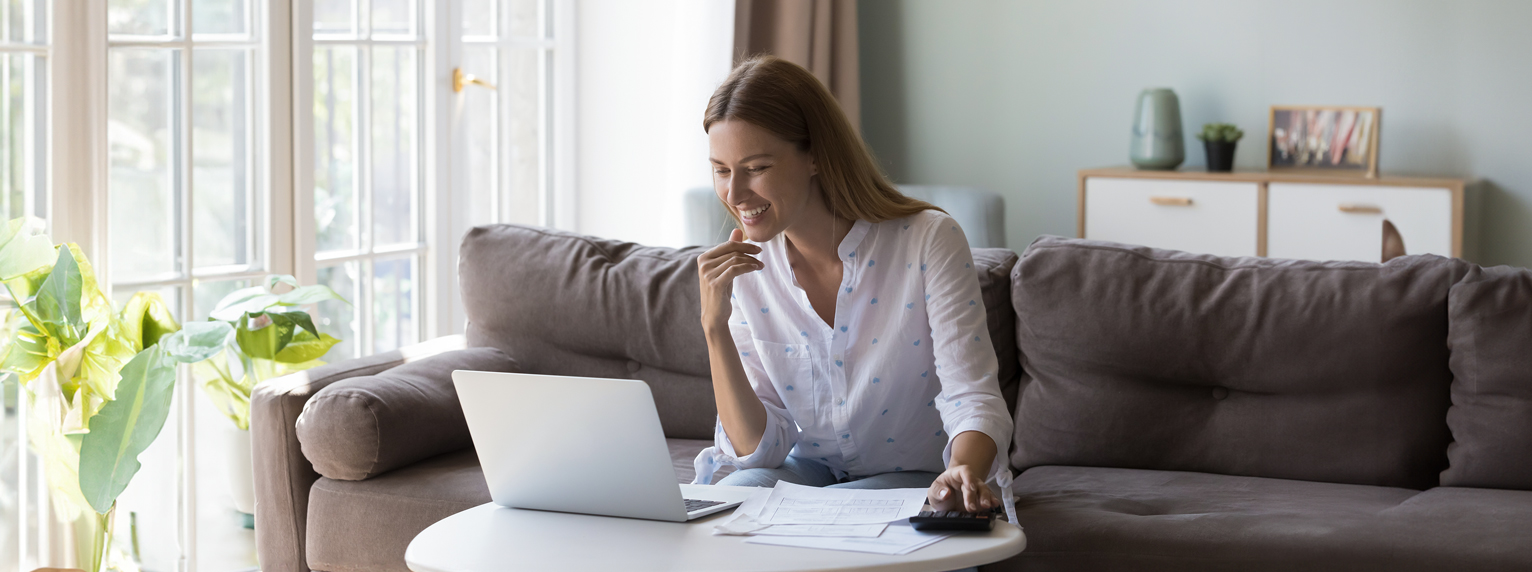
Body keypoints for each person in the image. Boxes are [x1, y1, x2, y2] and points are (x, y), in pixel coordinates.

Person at [692, 56, 1013, 515]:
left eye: (756, 167)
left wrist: (962, 469)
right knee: (732, 501)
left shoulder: (928, 239)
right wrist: (714, 327)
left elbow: (972, 394)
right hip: (807, 472)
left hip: (915, 474)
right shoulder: (745, 271)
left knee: (812, 516)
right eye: (721, 170)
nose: (735, 194)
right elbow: (760, 451)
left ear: (816, 155)